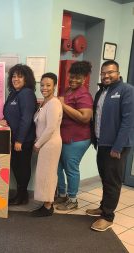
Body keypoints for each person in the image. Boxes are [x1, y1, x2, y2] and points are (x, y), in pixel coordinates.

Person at [86, 60, 134, 231]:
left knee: (113, 181)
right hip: (102, 143)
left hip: (116, 146)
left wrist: (117, 147)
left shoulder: (127, 90)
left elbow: (128, 121)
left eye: (110, 72)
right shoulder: (102, 92)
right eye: (103, 72)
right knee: (105, 178)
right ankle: (103, 207)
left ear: (118, 73)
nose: (106, 75)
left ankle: (107, 216)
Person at [55, 61, 93, 211]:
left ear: (84, 79)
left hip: (77, 139)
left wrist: (63, 105)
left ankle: (72, 200)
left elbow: (85, 117)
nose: (73, 80)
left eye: (77, 78)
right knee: (58, 167)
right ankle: (62, 194)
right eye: (71, 77)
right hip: (63, 137)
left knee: (71, 168)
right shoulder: (67, 91)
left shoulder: (84, 94)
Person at [1, 64, 37, 205]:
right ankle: (20, 195)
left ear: (26, 79)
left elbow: (26, 119)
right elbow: (11, 113)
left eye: (20, 76)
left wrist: (19, 140)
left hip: (23, 140)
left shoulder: (26, 93)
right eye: (14, 76)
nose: (16, 79)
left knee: (22, 167)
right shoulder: (13, 93)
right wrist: (5, 120)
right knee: (16, 167)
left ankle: (22, 196)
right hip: (14, 138)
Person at [32, 72, 62, 217]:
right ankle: (46, 203)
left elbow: (50, 128)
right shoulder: (45, 102)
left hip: (50, 144)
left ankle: (48, 206)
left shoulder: (54, 103)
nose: (44, 88)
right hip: (45, 143)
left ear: (55, 86)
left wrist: (38, 144)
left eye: (48, 85)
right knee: (44, 174)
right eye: (42, 85)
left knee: (48, 174)